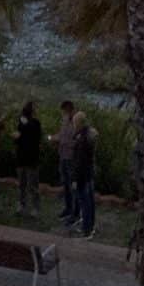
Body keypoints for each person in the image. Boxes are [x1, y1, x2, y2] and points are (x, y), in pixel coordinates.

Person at [65, 112, 97, 238]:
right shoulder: (89, 135)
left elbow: (79, 162)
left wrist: (74, 179)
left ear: (78, 123)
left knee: (85, 203)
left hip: (82, 176)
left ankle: (86, 230)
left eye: (74, 122)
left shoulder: (82, 139)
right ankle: (90, 227)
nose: (73, 125)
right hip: (88, 174)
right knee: (89, 202)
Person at [13, 100, 45, 217]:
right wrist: (17, 137)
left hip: (32, 158)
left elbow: (34, 134)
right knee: (21, 184)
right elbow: (18, 138)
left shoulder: (35, 123)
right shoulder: (21, 122)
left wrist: (20, 133)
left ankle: (35, 208)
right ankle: (22, 205)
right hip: (21, 157)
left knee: (33, 185)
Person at [52, 102, 80, 231]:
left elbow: (77, 141)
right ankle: (68, 208)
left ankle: (75, 213)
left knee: (73, 186)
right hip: (62, 156)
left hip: (71, 158)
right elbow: (61, 134)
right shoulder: (64, 121)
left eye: (66, 111)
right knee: (66, 185)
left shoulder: (77, 123)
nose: (64, 113)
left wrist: (62, 141)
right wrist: (54, 138)